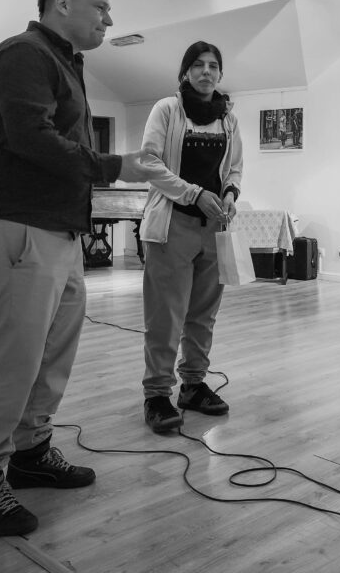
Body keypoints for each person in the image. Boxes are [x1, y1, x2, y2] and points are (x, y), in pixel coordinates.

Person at [0, 0, 161, 537]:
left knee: (50, 353)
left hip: (54, 230)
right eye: (100, 8)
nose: (109, 19)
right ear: (62, 4)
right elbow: (30, 138)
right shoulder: (25, 53)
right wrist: (114, 166)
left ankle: (30, 451)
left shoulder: (63, 62)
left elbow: (15, 146)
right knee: (10, 358)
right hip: (22, 229)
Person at [139, 41, 243, 433]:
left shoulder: (229, 119)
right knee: (165, 315)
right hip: (171, 226)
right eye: (198, 65)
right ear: (185, 72)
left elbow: (234, 168)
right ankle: (157, 394)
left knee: (203, 314)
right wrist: (194, 194)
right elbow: (150, 163)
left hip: (213, 228)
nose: (206, 72)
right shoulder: (167, 109)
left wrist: (230, 194)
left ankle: (193, 385)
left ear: (220, 73)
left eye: (213, 66)